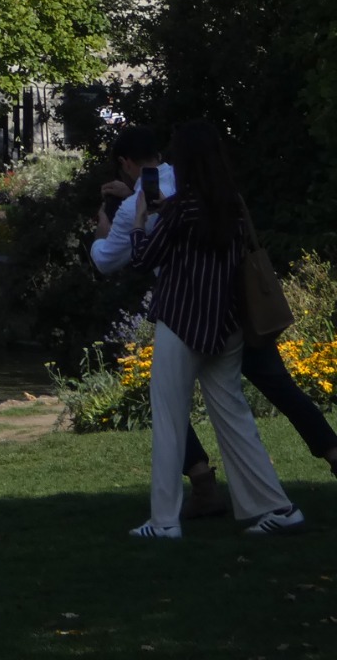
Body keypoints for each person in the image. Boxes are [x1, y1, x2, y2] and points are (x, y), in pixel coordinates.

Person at [92, 124, 337, 515]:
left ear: (125, 162)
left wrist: (118, 225)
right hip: (236, 311)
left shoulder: (159, 205)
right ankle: (316, 467)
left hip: (188, 315)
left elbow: (119, 259)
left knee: (169, 403)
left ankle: (195, 488)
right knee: (270, 391)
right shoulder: (223, 197)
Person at [127, 119, 304, 540]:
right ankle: (277, 507)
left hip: (182, 322)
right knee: (234, 416)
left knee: (169, 419)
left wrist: (139, 222)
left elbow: (143, 259)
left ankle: (164, 521)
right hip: (227, 324)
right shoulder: (233, 205)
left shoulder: (181, 209)